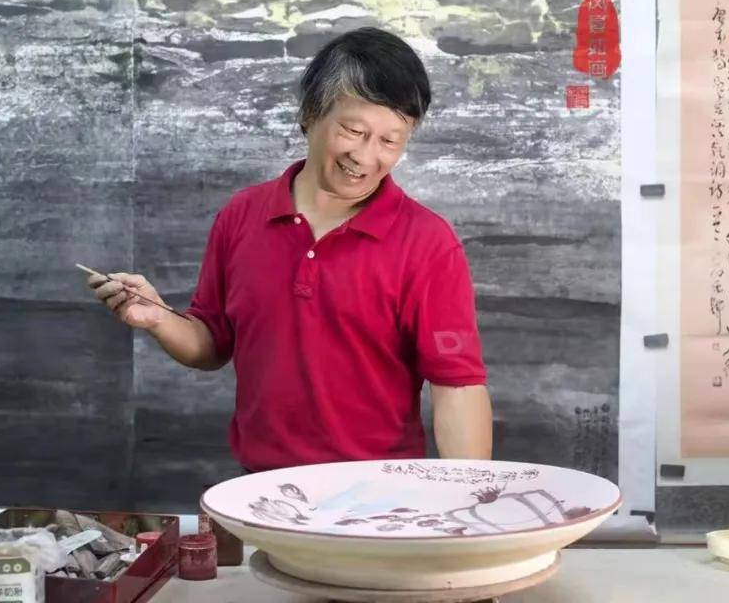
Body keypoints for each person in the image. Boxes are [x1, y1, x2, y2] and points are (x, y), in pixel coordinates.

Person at [90, 27, 492, 473]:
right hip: (261, 489)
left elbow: (458, 386)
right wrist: (159, 318)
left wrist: (470, 497)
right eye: (353, 130)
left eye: (389, 141)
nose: (365, 156)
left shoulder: (427, 242)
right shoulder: (243, 215)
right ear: (310, 113)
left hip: (379, 492)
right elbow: (211, 343)